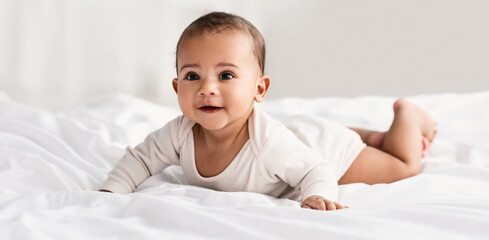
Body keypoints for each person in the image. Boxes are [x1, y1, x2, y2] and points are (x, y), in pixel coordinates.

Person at [100, 12, 437, 211]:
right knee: (321, 133)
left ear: (259, 89)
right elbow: (141, 158)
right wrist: (111, 192)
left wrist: (317, 195)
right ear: (177, 89)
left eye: (226, 75)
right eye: (192, 76)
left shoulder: (269, 145)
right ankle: (367, 134)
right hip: (298, 133)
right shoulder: (180, 132)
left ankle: (407, 115)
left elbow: (315, 169)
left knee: (402, 166)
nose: (207, 88)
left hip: (324, 148)